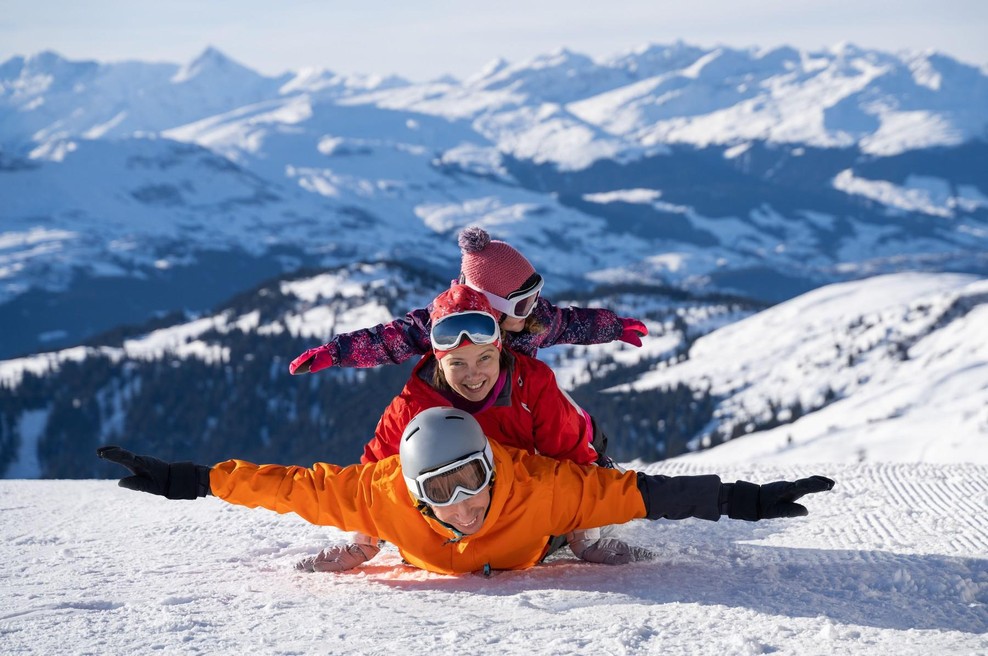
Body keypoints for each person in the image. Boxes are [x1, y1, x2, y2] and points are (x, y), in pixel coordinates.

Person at [96, 407, 835, 576]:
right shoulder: (378, 494)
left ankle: (577, 547)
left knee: (595, 491)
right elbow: (291, 487)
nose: (462, 501)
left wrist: (744, 499)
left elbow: (649, 493)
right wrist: (195, 481)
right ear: (412, 493)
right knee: (350, 514)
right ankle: (365, 551)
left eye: (473, 477)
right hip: (399, 533)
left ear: (491, 462)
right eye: (441, 490)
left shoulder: (544, 488)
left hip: (538, 540)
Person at [299, 284, 647, 572]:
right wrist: (363, 545)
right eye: (457, 364)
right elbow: (373, 478)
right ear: (438, 360)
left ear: (499, 350)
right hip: (451, 519)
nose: (473, 374)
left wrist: (583, 540)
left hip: (524, 512)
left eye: (484, 358)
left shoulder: (532, 384)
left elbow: (572, 457)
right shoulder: (413, 405)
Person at [287, 225, 648, 374]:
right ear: (490, 307)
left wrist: (613, 327)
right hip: (459, 411)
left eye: (535, 297)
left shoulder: (532, 323)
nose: (534, 309)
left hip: (517, 411)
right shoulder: (441, 325)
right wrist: (335, 353)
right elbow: (387, 340)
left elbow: (572, 324)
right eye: (522, 303)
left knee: (571, 420)